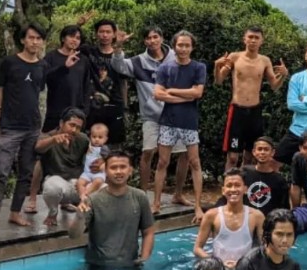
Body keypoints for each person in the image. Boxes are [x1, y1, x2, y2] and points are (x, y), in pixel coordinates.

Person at [111, 25, 191, 210]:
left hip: (177, 115)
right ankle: (143, 196)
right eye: (148, 38)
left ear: (162, 38)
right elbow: (118, 66)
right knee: (148, 152)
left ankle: (178, 194)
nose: (152, 41)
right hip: (152, 116)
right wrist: (118, 47)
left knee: (185, 153)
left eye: (155, 36)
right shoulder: (138, 61)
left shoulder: (177, 57)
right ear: (144, 41)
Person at [0, 23, 49, 234]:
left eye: (38, 38)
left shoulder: (42, 66)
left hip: (32, 127)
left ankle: (15, 212)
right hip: (10, 127)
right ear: (23, 40)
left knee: (26, 173)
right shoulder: (9, 63)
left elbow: (37, 92)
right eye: (31, 37)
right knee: (1, 172)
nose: (34, 42)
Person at [25, 24, 91, 214]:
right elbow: (43, 80)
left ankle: (64, 199)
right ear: (63, 38)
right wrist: (64, 66)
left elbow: (86, 87)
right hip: (55, 114)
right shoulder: (51, 58)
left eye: (78, 38)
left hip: (76, 116)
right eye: (71, 36)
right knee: (42, 156)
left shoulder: (84, 60)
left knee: (71, 156)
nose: (74, 40)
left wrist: (85, 111)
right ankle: (32, 197)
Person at [214, 26, 289, 169]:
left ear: (262, 41)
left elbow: (274, 85)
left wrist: (283, 75)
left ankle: (246, 182)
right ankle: (229, 182)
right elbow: (219, 80)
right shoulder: (235, 57)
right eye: (250, 37)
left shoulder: (264, 60)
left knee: (250, 156)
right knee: (233, 157)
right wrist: (217, 67)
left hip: (254, 112)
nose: (253, 40)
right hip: (237, 111)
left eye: (256, 38)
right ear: (244, 39)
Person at [153, 30, 207, 223]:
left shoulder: (199, 67)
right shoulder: (165, 68)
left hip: (189, 122)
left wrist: (172, 91)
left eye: (187, 45)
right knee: (162, 162)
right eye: (180, 45)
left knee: (195, 162)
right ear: (174, 46)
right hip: (168, 121)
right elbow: (158, 94)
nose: (183, 48)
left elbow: (198, 93)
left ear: (192, 47)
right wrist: (185, 96)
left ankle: (198, 206)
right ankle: (156, 203)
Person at [71, 150, 155, 270]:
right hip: (98, 265)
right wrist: (79, 217)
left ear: (130, 170)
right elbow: (74, 235)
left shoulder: (139, 197)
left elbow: (148, 232)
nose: (118, 171)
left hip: (130, 263)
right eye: (113, 167)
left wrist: (143, 259)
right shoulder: (93, 200)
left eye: (123, 167)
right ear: (105, 171)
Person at [194, 169, 264, 269]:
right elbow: (197, 248)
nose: (233, 189)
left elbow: (265, 248)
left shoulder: (257, 216)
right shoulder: (211, 215)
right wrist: (217, 263)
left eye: (237, 185)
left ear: (245, 189)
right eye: (229, 185)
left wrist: (244, 263)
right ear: (223, 190)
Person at [35, 107, 89, 227]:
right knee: (52, 187)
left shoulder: (83, 139)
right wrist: (53, 141)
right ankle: (53, 213)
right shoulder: (49, 136)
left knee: (101, 185)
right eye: (72, 125)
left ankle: (91, 217)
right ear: (61, 123)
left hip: (76, 184)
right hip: (56, 182)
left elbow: (95, 153)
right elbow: (38, 147)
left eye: (78, 127)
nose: (74, 130)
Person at [79, 17, 128, 146]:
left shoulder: (119, 56)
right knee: (91, 143)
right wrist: (78, 25)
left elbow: (123, 82)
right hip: (93, 106)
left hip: (114, 104)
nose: (104, 35)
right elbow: (71, 42)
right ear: (96, 34)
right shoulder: (89, 52)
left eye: (108, 32)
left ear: (114, 34)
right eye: (101, 31)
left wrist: (124, 106)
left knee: (114, 144)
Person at [76, 122, 109, 203]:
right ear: (90, 137)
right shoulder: (88, 146)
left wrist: (104, 164)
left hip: (98, 174)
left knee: (98, 182)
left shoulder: (104, 149)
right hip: (86, 173)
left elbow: (108, 159)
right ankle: (82, 197)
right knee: (79, 183)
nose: (96, 139)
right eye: (94, 137)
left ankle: (87, 194)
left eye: (100, 137)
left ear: (105, 139)